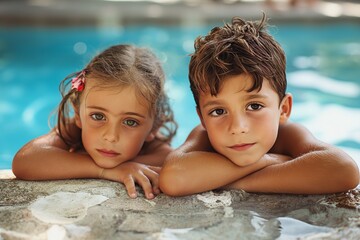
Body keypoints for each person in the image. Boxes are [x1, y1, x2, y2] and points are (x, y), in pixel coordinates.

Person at [159, 15, 359, 197]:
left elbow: (344, 170)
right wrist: (269, 160)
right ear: (202, 118)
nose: (238, 127)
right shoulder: (203, 136)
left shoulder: (289, 135)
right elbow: (173, 178)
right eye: (218, 111)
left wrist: (231, 182)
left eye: (254, 106)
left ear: (284, 109)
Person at [12, 44, 177, 200]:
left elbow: (174, 165)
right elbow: (24, 161)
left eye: (130, 122)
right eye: (98, 116)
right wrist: (105, 171)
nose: (111, 136)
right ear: (78, 115)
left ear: (154, 127)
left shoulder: (157, 149)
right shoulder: (72, 130)